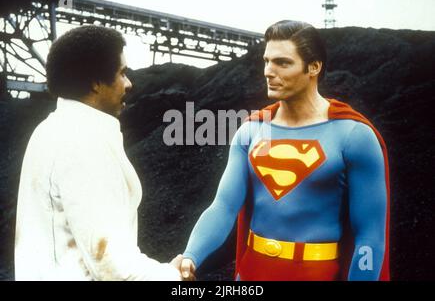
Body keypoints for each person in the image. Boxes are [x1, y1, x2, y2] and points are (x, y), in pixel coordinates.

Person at [180, 20, 390, 281]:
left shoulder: (353, 135)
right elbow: (223, 206)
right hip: (250, 276)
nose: (269, 71)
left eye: (282, 62)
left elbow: (369, 236)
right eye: (267, 61)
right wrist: (191, 255)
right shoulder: (250, 131)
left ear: (313, 67)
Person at [14, 25, 182, 281]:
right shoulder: (83, 141)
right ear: (95, 83)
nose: (129, 84)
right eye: (122, 73)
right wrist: (172, 276)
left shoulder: (49, 129)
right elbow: (112, 266)